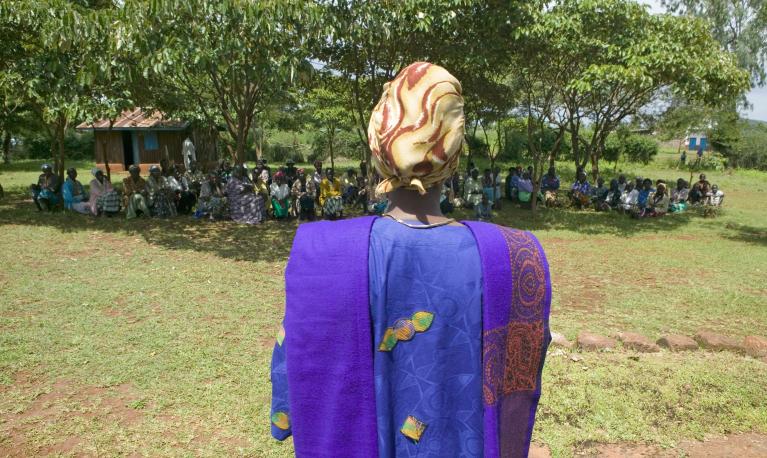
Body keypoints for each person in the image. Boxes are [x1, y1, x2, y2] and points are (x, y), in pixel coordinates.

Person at [270, 62, 550, 457]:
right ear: (453, 154)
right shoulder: (515, 256)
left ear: (376, 146)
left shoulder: (322, 252)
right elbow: (519, 377)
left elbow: (293, 371)